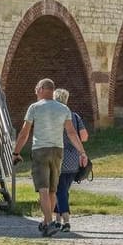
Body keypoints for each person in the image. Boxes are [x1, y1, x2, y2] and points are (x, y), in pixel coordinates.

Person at [10, 78, 87, 237]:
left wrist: (16, 152)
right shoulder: (63, 109)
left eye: (36, 88)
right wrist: (82, 152)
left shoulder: (35, 108)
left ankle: (49, 221)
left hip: (41, 150)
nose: (35, 91)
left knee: (43, 190)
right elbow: (72, 133)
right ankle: (46, 223)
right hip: (58, 151)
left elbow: (25, 133)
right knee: (53, 190)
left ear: (42, 89)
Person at [53, 89, 91, 232]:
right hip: (73, 159)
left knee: (60, 190)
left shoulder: (52, 117)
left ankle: (66, 220)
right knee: (62, 190)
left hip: (57, 157)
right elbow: (85, 136)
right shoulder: (74, 117)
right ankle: (57, 219)